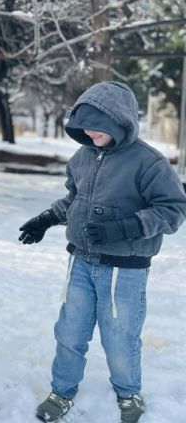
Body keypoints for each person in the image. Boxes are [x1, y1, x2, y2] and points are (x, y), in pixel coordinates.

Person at [18, 81, 186, 423]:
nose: (89, 131)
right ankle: (62, 391)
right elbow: (75, 199)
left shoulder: (148, 162)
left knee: (120, 336)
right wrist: (46, 219)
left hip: (125, 269)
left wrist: (124, 228)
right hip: (81, 262)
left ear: (119, 122)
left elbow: (173, 209)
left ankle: (128, 393)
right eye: (84, 124)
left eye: (97, 125)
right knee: (70, 332)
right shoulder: (83, 157)